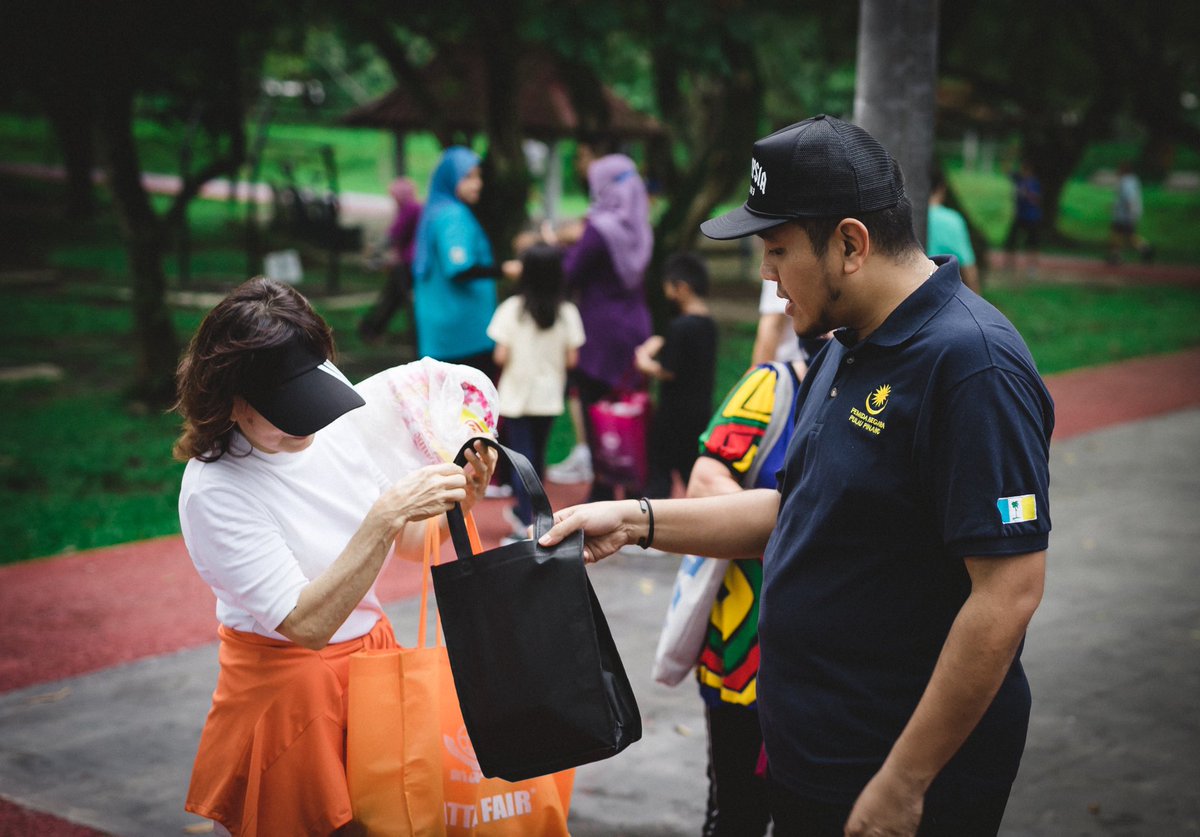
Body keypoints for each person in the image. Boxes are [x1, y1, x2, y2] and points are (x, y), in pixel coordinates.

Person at [540, 115, 1053, 837]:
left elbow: (1008, 593)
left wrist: (905, 782)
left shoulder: (972, 366)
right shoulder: (845, 346)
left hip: (895, 780)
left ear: (850, 242)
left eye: (777, 250)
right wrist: (635, 519)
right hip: (810, 758)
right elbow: (796, 508)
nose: (766, 275)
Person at [174, 277, 496, 836]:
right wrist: (387, 514)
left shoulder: (328, 406)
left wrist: (460, 498)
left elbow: (412, 546)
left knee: (401, 820)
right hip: (289, 691)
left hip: (373, 663)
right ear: (230, 397)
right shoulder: (214, 490)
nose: (309, 421)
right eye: (285, 408)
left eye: (311, 394)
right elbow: (307, 624)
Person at [686, 358, 804, 837]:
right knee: (738, 812)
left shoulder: (896, 383)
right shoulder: (775, 385)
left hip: (838, 670)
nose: (773, 281)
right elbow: (704, 479)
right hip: (743, 644)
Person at [545, 151, 654, 500]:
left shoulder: (600, 228)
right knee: (629, 406)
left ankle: (603, 488)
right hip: (636, 325)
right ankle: (636, 482)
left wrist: (553, 246)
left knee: (596, 409)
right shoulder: (640, 227)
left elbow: (568, 273)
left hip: (600, 331)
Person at [487, 243, 586, 541]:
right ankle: (535, 512)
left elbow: (499, 356)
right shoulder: (567, 312)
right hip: (548, 396)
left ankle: (524, 517)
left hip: (517, 396)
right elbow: (572, 359)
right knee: (537, 456)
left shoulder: (512, 310)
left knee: (521, 457)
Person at [412, 146, 501, 382]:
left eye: (478, 176)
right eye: (469, 177)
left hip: (442, 329)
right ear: (450, 178)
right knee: (468, 409)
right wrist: (505, 270)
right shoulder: (453, 216)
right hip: (463, 334)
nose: (478, 184)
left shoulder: (435, 210)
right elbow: (460, 268)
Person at [635, 251, 718, 499]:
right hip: (701, 412)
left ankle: (651, 527)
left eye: (668, 288)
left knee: (659, 473)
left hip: (673, 415)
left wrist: (643, 359)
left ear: (681, 288)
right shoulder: (709, 324)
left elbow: (668, 372)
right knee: (692, 473)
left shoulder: (680, 326)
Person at [358, 176, 423, 345]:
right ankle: (372, 329)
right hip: (408, 263)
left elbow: (394, 235)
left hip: (407, 264)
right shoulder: (415, 208)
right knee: (395, 300)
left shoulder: (410, 209)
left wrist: (375, 251)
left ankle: (371, 329)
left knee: (392, 300)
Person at [926, 169, 981, 294]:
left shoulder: (905, 216)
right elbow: (968, 267)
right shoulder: (951, 220)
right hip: (942, 292)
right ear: (941, 188)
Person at [1108, 161, 1154, 265]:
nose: (1117, 172)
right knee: (1119, 234)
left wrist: (1129, 212)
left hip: (1125, 214)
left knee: (1126, 235)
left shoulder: (1126, 182)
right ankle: (1116, 256)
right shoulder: (1132, 181)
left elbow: (1129, 198)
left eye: (1119, 169)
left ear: (1124, 170)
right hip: (1124, 213)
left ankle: (1145, 249)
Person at [1003, 160, 1042, 271]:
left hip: (1032, 217)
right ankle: (1009, 266)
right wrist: (1010, 155)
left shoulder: (1033, 183)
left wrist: (1028, 194)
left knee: (1032, 243)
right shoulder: (1018, 180)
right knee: (1011, 241)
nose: (1023, 172)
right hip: (1019, 216)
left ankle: (1032, 268)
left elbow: (1036, 200)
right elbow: (1006, 170)